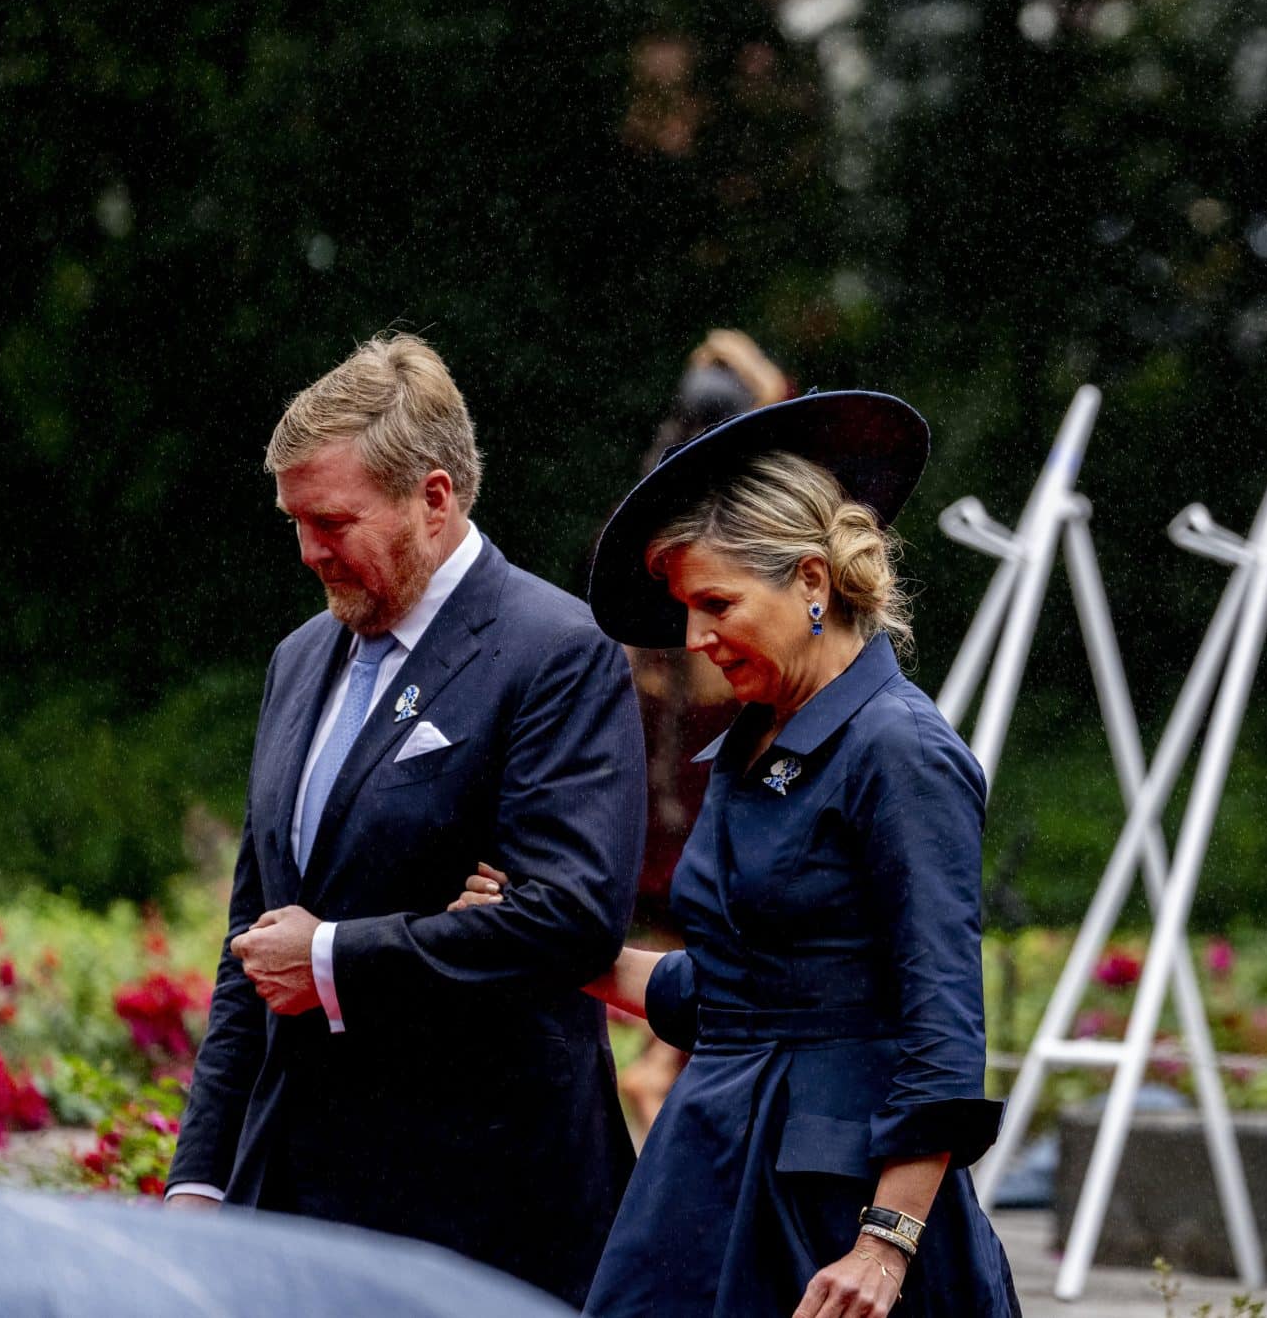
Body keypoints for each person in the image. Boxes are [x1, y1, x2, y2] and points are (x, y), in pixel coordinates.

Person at [459, 389, 1018, 1317]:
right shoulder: (751, 740)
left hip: (836, 1210)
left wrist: (886, 1245)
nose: (693, 640)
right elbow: (726, 993)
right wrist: (539, 936)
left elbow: (944, 1032)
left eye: (715, 603)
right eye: (684, 608)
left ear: (810, 580)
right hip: (707, 1167)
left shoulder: (900, 751)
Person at [166, 334, 647, 1306]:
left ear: (434, 499)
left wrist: (336, 956)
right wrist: (201, 1174)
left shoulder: (558, 652)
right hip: (295, 1200)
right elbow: (251, 944)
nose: (307, 551)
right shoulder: (300, 656)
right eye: (293, 521)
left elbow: (569, 919)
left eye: (332, 520)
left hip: (480, 1212)